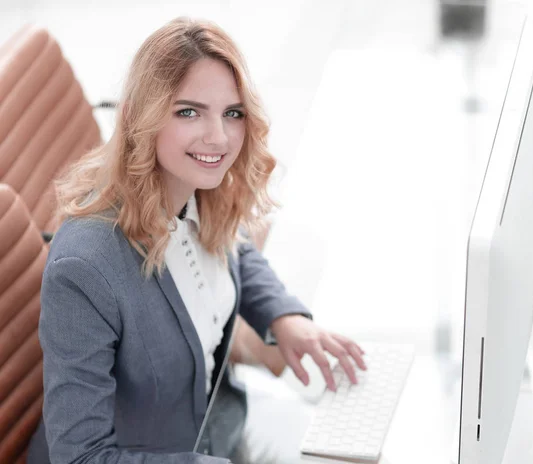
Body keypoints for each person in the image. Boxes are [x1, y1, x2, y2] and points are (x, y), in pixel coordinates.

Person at [27, 17, 366, 464]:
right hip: (164, 455)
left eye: (232, 113)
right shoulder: (85, 268)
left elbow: (235, 247)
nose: (219, 137)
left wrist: (283, 317)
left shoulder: (197, 186)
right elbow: (79, 458)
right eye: (189, 111)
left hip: (214, 425)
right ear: (137, 117)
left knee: (351, 445)